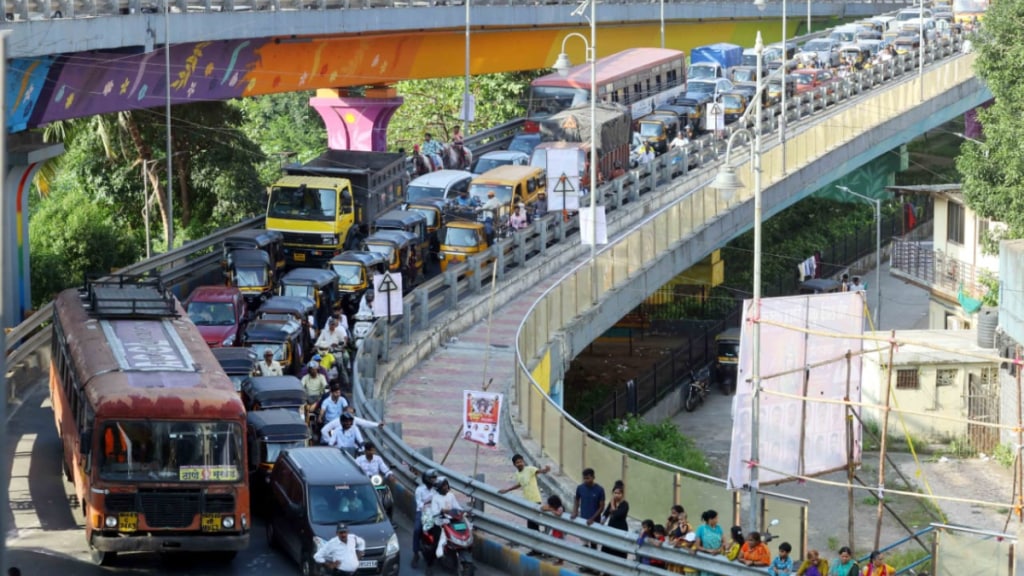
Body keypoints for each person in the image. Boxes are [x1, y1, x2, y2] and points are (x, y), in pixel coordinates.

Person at [423, 476, 463, 574]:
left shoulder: (451, 496)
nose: (446, 487)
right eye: (443, 486)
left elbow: (457, 507)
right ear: (439, 488)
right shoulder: (435, 498)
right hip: (439, 524)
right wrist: (442, 511)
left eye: (446, 485)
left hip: (450, 522)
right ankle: (429, 564)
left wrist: (462, 511)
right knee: (436, 544)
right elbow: (434, 512)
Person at [412, 468, 439, 568]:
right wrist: (427, 504)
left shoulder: (436, 490)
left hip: (434, 513)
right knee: (417, 529)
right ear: (427, 479)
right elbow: (419, 504)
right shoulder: (419, 489)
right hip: (422, 513)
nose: (434, 480)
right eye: (432, 478)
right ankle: (415, 553)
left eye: (435, 478)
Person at [601, 480, 629, 558]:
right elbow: (606, 514)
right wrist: (602, 520)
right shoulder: (611, 503)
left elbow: (617, 515)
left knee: (619, 550)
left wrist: (613, 504)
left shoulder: (625, 504)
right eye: (615, 493)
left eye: (619, 493)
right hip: (611, 526)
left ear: (622, 494)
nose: (616, 495)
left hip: (621, 528)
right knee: (608, 548)